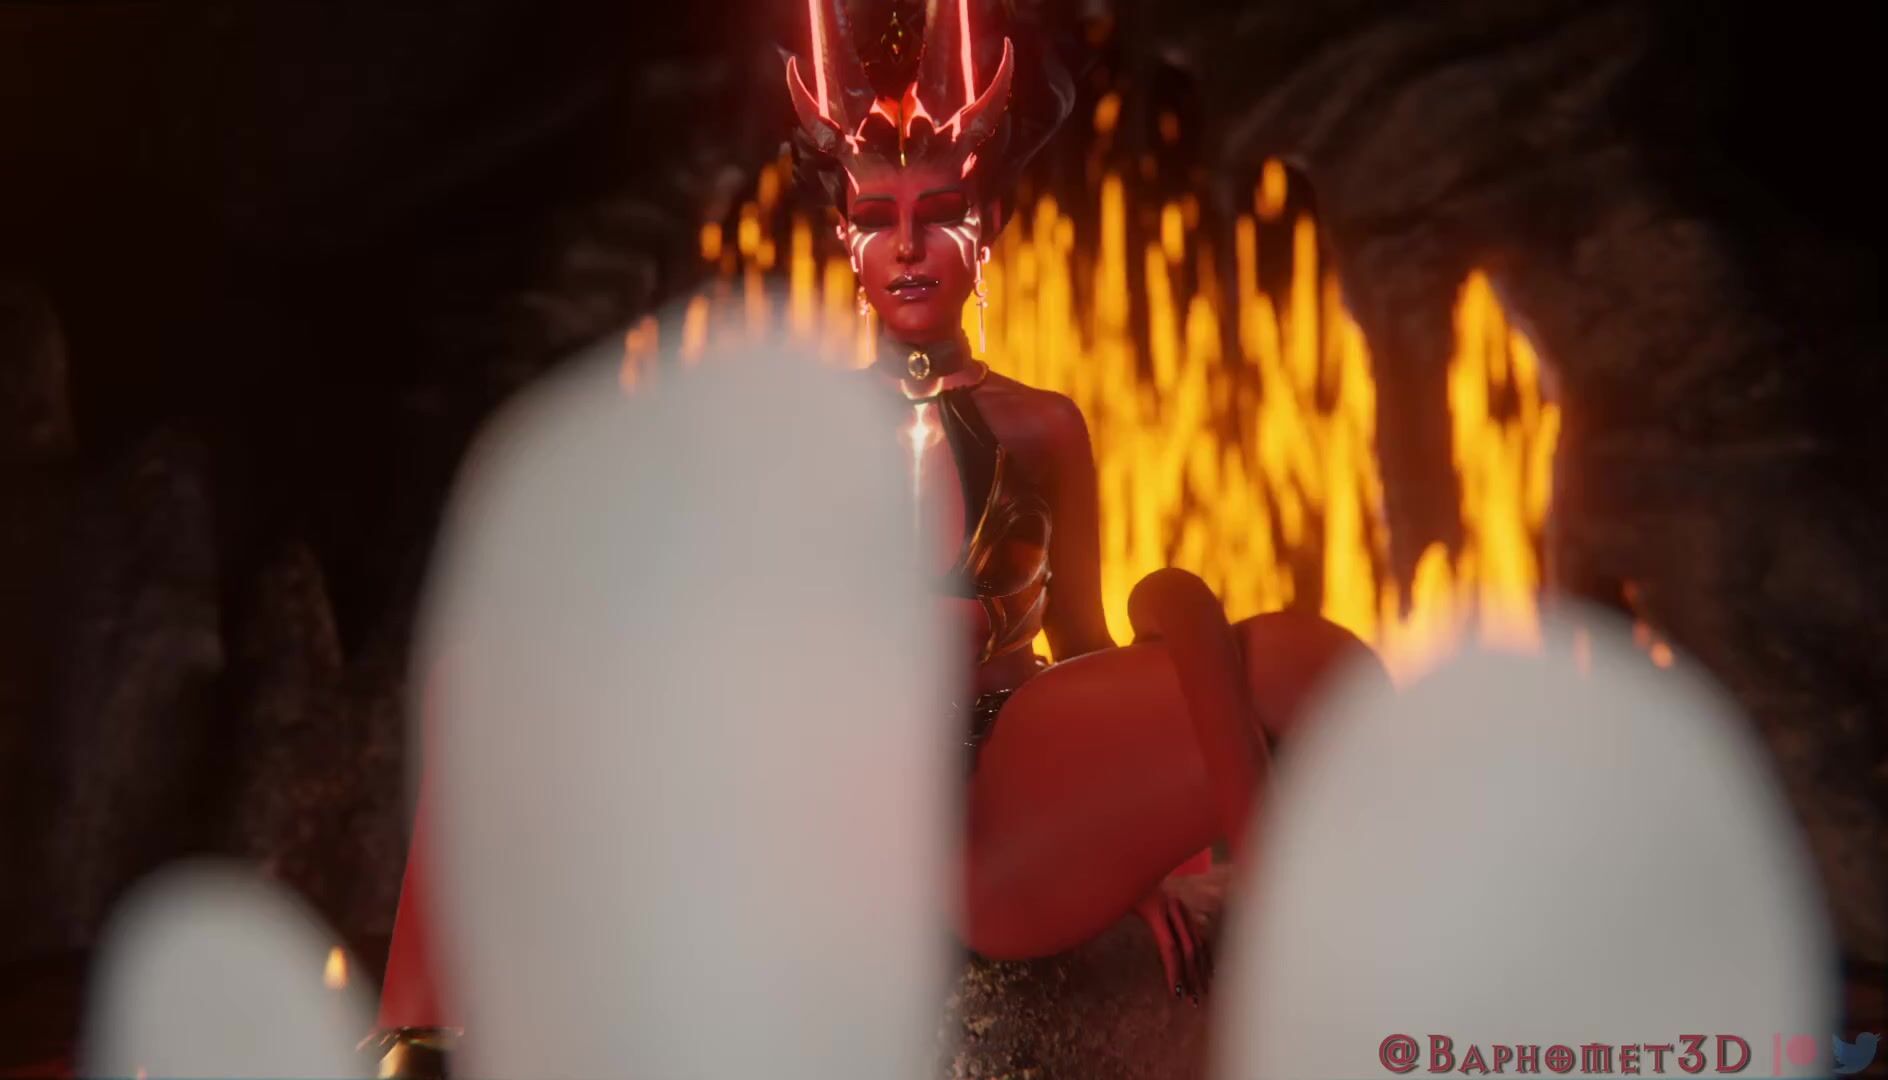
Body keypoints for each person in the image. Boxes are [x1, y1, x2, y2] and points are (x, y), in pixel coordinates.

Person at [369, 0, 1384, 1067]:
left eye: (937, 212)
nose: (906, 245)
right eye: (874, 215)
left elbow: (1083, 637)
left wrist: (1138, 858)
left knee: (1308, 659)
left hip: (1006, 790)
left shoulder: (1042, 426)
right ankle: (425, 1041)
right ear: (843, 236)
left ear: (987, 224)